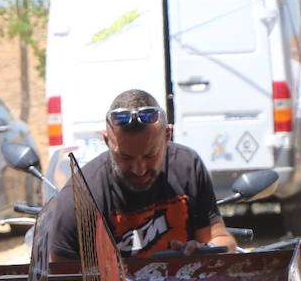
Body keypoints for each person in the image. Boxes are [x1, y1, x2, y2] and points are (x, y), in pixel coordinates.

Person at [49, 89, 236, 262]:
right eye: (125, 157)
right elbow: (63, 279)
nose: (139, 169)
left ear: (167, 135)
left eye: (150, 155)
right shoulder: (81, 197)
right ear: (107, 140)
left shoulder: (188, 166)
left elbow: (221, 240)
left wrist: (203, 251)